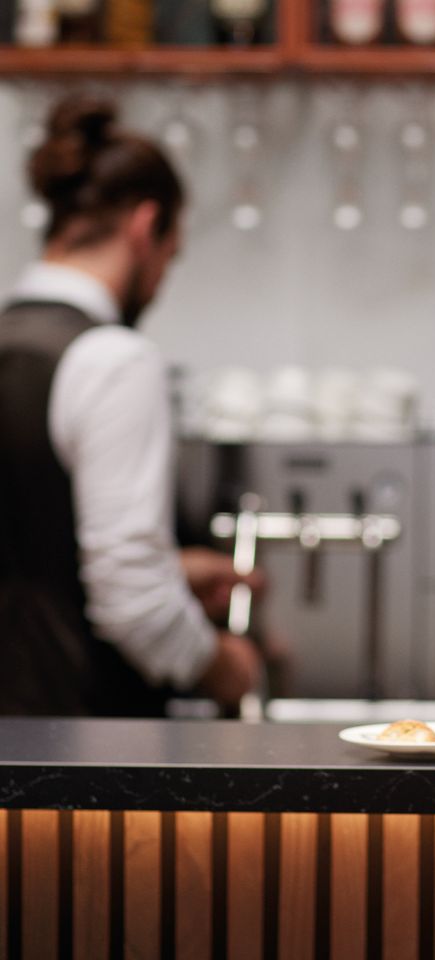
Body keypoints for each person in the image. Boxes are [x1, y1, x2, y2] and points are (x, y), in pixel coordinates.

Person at [0, 94, 262, 716]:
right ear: (147, 228)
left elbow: (29, 549)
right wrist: (226, 667)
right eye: (171, 257)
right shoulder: (113, 360)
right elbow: (133, 604)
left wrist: (169, 566)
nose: (164, 280)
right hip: (81, 755)